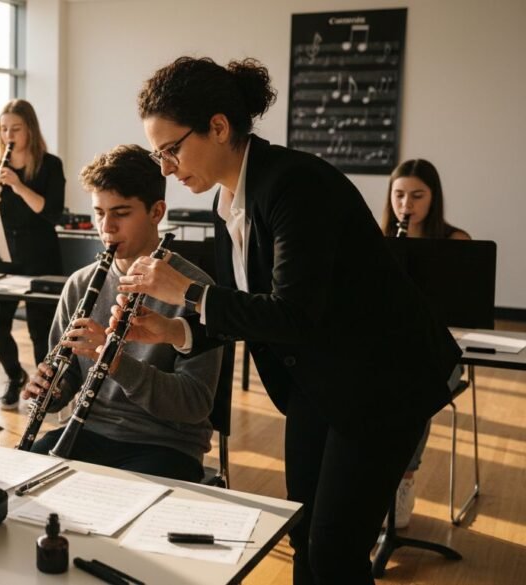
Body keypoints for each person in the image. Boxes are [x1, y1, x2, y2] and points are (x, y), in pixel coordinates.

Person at [120, 57, 462, 584]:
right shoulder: (227, 201)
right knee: (305, 535)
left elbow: (293, 313)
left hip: (380, 386)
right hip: (317, 386)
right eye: (157, 152)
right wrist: (177, 329)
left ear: (218, 127)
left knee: (335, 555)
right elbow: (248, 305)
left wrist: (187, 291)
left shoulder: (296, 185)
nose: (165, 166)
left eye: (172, 149)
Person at [22, 144, 221, 482]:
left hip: (165, 444)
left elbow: (194, 404)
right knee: (19, 487)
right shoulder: (79, 284)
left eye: (122, 212)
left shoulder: (195, 290)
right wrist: (49, 391)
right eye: (99, 212)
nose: (107, 227)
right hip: (86, 432)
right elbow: (67, 376)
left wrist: (114, 360)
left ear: (157, 212)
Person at [383, 158, 470, 529]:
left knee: (414, 388)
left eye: (417, 196)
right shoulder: (379, 242)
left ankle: (402, 481)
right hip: (389, 350)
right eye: (399, 195)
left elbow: (463, 312)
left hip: (439, 351)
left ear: (433, 198)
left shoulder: (456, 243)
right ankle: (370, 482)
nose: (407, 205)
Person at [0, 99, 66, 410]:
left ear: (30, 129)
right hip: (5, 252)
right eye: (3, 129)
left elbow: (52, 213)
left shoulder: (50, 165)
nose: (8, 135)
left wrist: (18, 186)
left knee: (40, 329)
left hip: (41, 252)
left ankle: (45, 391)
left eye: (15, 128)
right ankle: (15, 375)